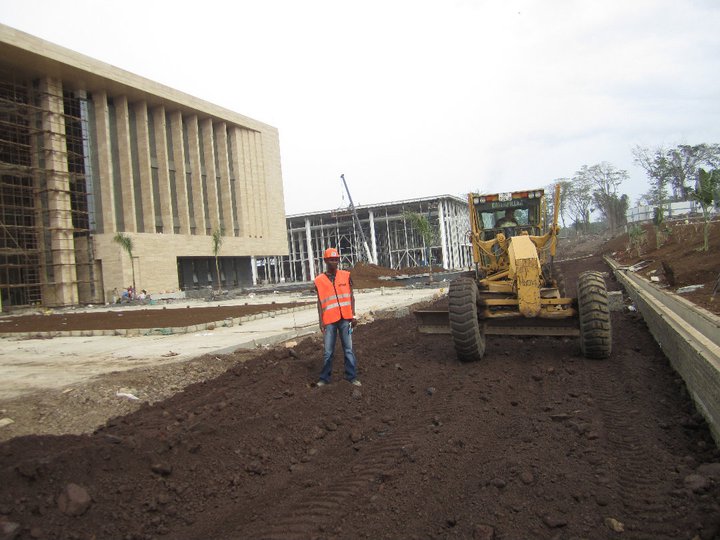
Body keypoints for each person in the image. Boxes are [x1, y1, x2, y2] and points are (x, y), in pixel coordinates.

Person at [314, 248, 361, 387]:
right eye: (331, 260)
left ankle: (351, 377)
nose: (334, 262)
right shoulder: (319, 280)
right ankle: (324, 378)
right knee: (328, 352)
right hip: (329, 320)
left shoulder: (346, 276)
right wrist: (321, 320)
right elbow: (319, 302)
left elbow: (351, 297)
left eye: (336, 259)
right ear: (325, 261)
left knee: (348, 349)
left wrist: (353, 315)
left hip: (345, 319)